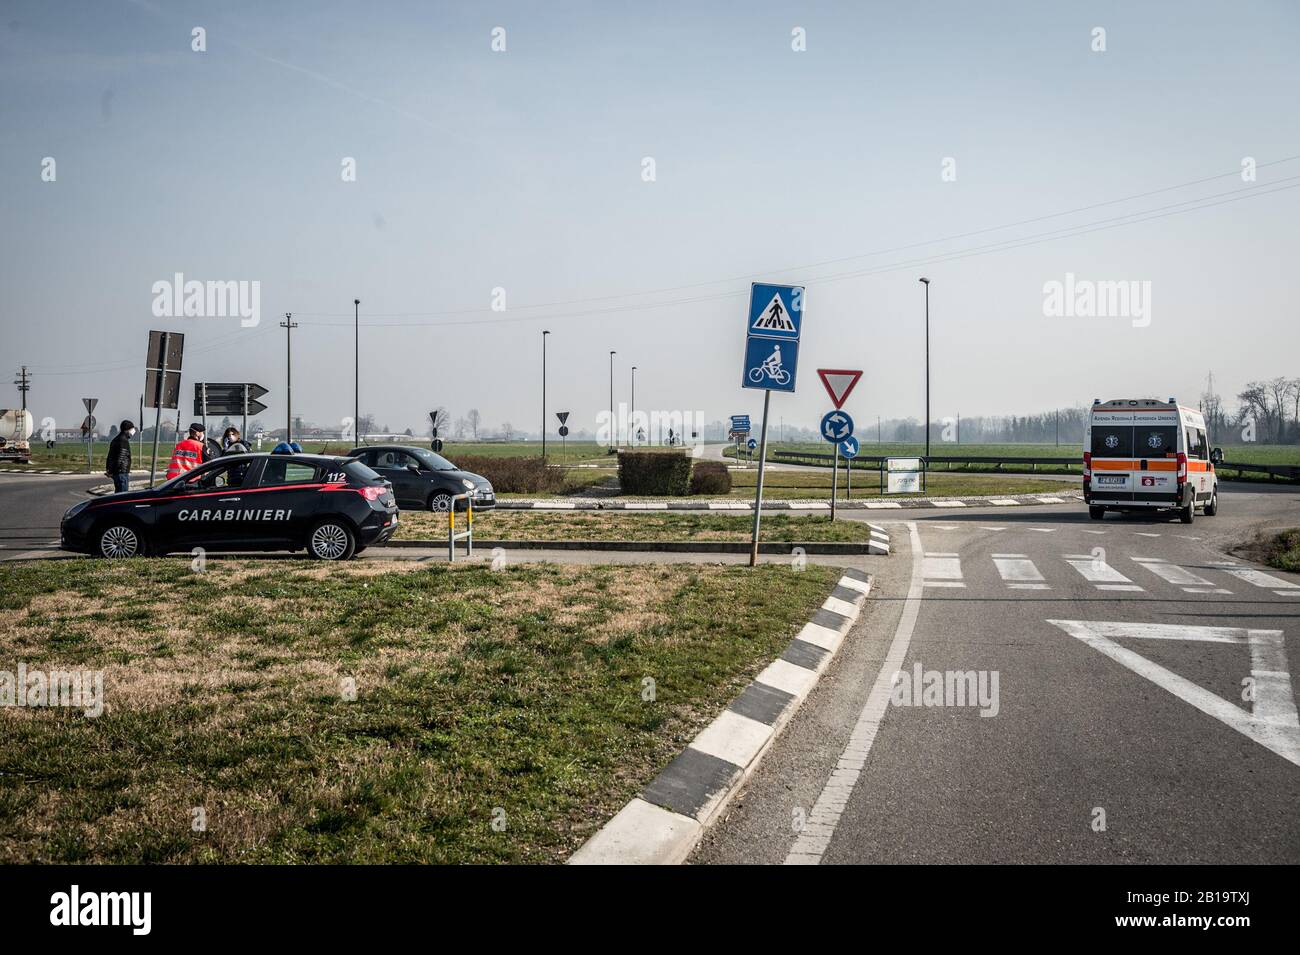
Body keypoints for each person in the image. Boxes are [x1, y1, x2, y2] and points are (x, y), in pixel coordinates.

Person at [105, 420, 135, 493]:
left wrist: (109, 470)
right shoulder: (123, 441)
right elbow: (120, 458)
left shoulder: (115, 439)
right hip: (122, 473)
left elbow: (110, 456)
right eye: (132, 429)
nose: (133, 432)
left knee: (118, 495)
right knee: (122, 496)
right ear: (127, 430)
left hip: (117, 473)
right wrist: (116, 470)